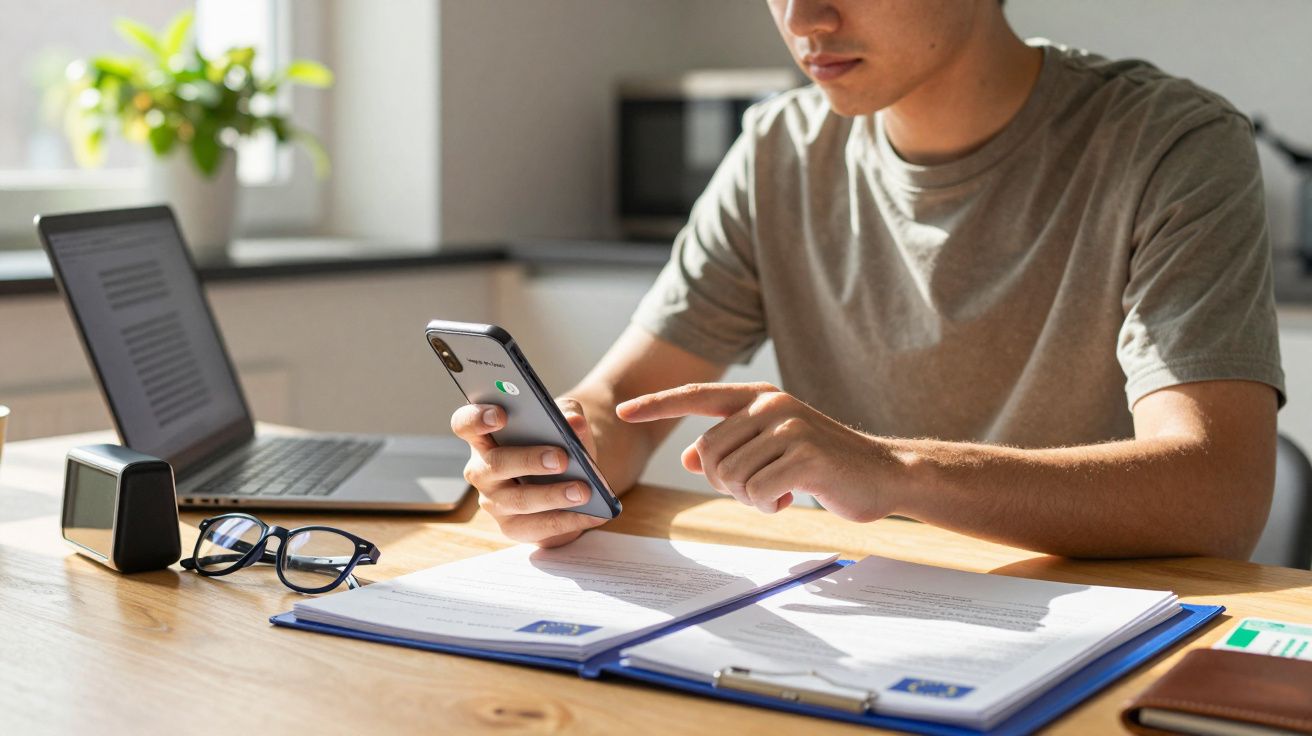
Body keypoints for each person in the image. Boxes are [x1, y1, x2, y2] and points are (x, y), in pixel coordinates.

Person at [453, 0, 1285, 559]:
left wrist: (894, 470)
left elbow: (1216, 495)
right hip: (857, 609)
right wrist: (559, 462)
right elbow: (626, 404)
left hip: (1093, 620)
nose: (803, 19)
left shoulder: (1170, 145)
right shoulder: (778, 151)